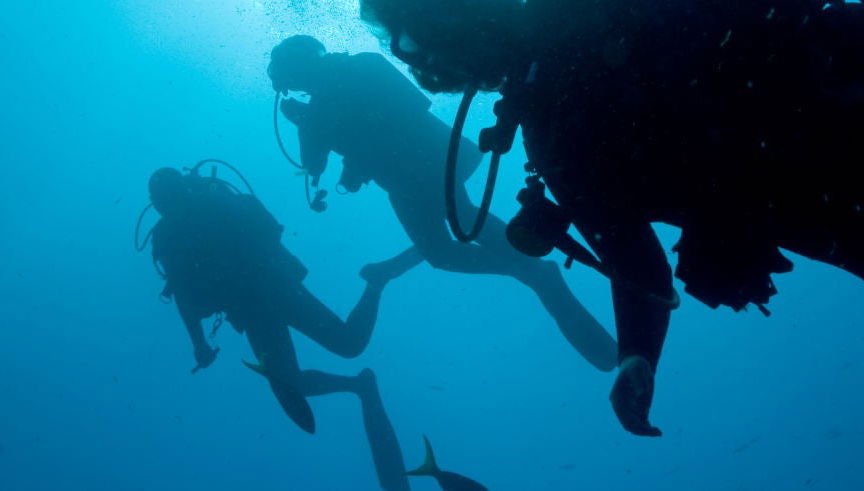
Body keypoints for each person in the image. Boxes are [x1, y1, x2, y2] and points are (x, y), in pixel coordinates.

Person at [357, 0, 864, 436]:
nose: (422, 65)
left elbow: (634, 258)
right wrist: (637, 354)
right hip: (819, 191)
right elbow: (632, 257)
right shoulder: (546, 128)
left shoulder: (552, 118)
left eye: (416, 44)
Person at [267, 35, 618, 372]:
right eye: (295, 84)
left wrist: (334, 130)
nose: (303, 88)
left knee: (458, 226)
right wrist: (307, 123)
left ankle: (530, 270)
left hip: (428, 162)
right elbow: (313, 166)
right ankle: (528, 270)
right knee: (445, 247)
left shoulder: (361, 69)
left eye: (297, 79)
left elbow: (412, 105)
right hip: (411, 175)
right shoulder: (321, 108)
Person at [146, 165, 410, 490]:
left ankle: (375, 282)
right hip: (254, 308)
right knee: (291, 383)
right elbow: (184, 296)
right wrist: (198, 343)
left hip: (275, 288)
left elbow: (187, 298)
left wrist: (200, 343)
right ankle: (358, 384)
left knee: (348, 345)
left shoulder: (203, 210)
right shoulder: (170, 235)